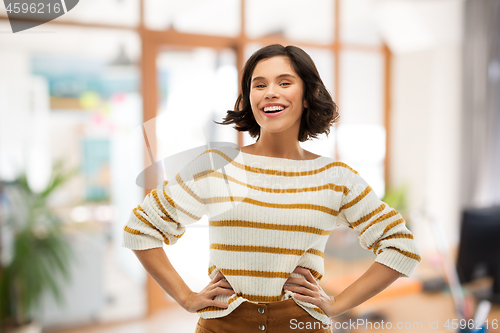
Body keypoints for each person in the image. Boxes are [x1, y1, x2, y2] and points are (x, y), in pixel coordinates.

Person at [123, 44, 421, 333]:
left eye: (284, 82)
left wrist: (337, 303)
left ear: (307, 95)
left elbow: (400, 245)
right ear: (249, 97)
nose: (270, 93)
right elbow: (141, 227)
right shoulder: (217, 166)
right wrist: (185, 298)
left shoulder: (336, 178)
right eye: (259, 84)